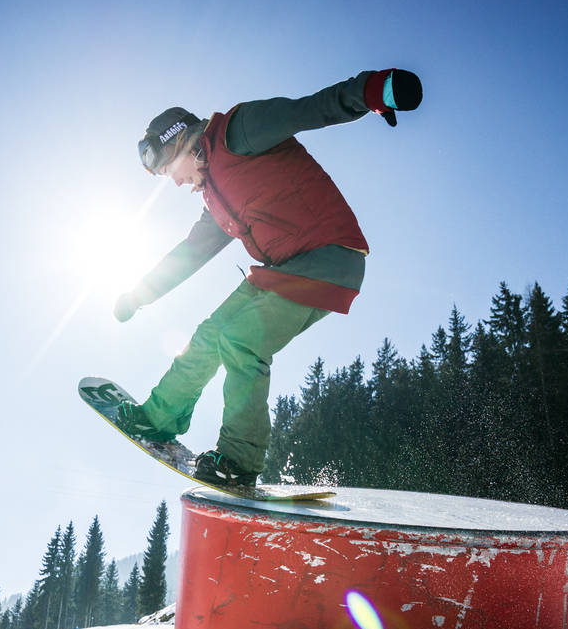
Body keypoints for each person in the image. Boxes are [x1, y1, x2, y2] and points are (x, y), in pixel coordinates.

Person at [113, 69, 423, 488]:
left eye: (171, 168)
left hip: (328, 258)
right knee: (210, 335)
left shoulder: (239, 132)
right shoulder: (215, 197)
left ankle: (238, 461)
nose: (176, 181)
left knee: (241, 339)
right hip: (281, 271)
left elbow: (307, 110)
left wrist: (376, 91)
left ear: (182, 142)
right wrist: (138, 295)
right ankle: (158, 418)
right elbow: (188, 254)